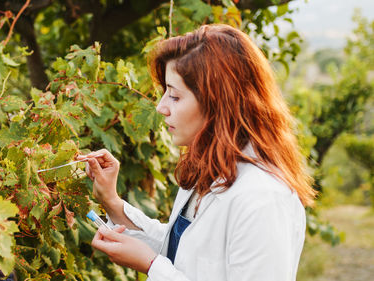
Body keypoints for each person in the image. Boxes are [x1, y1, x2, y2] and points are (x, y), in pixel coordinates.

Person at [76, 24, 317, 281]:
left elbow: (167, 264)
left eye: (175, 97)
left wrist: (151, 265)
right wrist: (111, 202)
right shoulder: (211, 168)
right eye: (165, 93)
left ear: (218, 103)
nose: (161, 108)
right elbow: (182, 252)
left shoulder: (263, 199)